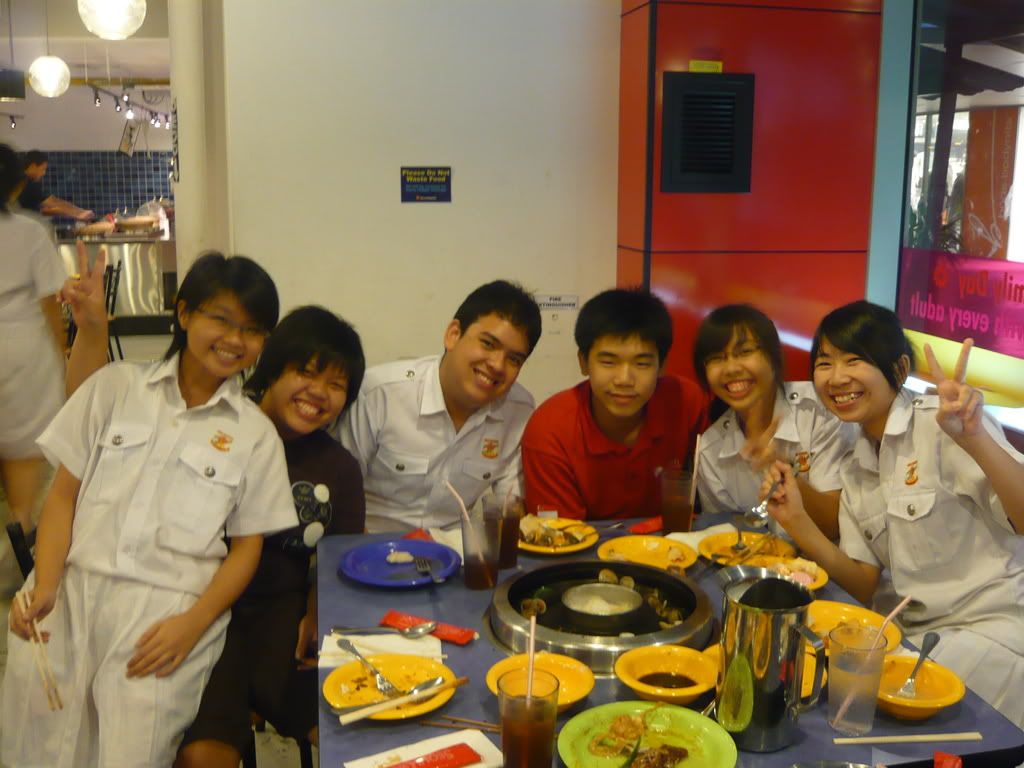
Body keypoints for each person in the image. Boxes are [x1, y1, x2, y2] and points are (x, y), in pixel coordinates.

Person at [2, 253, 299, 767]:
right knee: (41, 748)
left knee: (130, 753)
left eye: (253, 330)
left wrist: (194, 623)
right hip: (70, 594)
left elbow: (246, 548)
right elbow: (65, 495)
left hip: (163, 618)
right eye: (221, 319)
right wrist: (45, 583)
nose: (235, 339)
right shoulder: (117, 387)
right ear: (184, 313)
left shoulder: (254, 434)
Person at [763, 300, 1024, 727]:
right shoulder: (856, 467)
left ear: (899, 369)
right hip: (915, 637)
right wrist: (797, 522)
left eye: (855, 360)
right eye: (825, 363)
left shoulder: (943, 424)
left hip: (990, 630)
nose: (837, 377)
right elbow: (863, 582)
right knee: (819, 690)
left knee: (858, 716)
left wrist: (976, 438)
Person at [176, 306, 366, 767]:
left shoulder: (339, 467)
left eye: (336, 385)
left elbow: (340, 558)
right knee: (203, 755)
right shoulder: (220, 431)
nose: (318, 393)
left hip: (282, 617)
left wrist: (316, 612)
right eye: (306, 372)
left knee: (352, 726)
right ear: (274, 368)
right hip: (199, 606)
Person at [338, 280, 541, 532]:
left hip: (456, 550)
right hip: (373, 545)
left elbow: (510, 507)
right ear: (453, 335)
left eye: (514, 359)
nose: (498, 365)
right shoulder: (379, 394)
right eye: (488, 344)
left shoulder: (518, 410)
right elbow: (339, 495)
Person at [521, 287, 708, 520]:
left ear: (662, 366)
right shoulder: (550, 430)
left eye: (642, 364)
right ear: (584, 362)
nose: (624, 380)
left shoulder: (685, 401)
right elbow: (558, 535)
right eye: (609, 362)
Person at [692, 304, 854, 538]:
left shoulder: (819, 410)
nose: (731, 368)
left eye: (744, 352)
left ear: (772, 355)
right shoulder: (710, 450)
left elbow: (835, 526)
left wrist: (787, 475)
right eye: (716, 358)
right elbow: (725, 538)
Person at [0, 143, 66, 575]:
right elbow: (51, 301)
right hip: (20, 347)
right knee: (22, 452)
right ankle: (16, 547)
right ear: (15, 183)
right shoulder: (29, 232)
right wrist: (62, 352)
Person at [18, 150, 95, 221]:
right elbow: (54, 201)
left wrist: (60, 211)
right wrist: (79, 212)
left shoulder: (20, 181)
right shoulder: (29, 184)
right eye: (43, 169)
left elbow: (35, 211)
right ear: (33, 166)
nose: (43, 173)